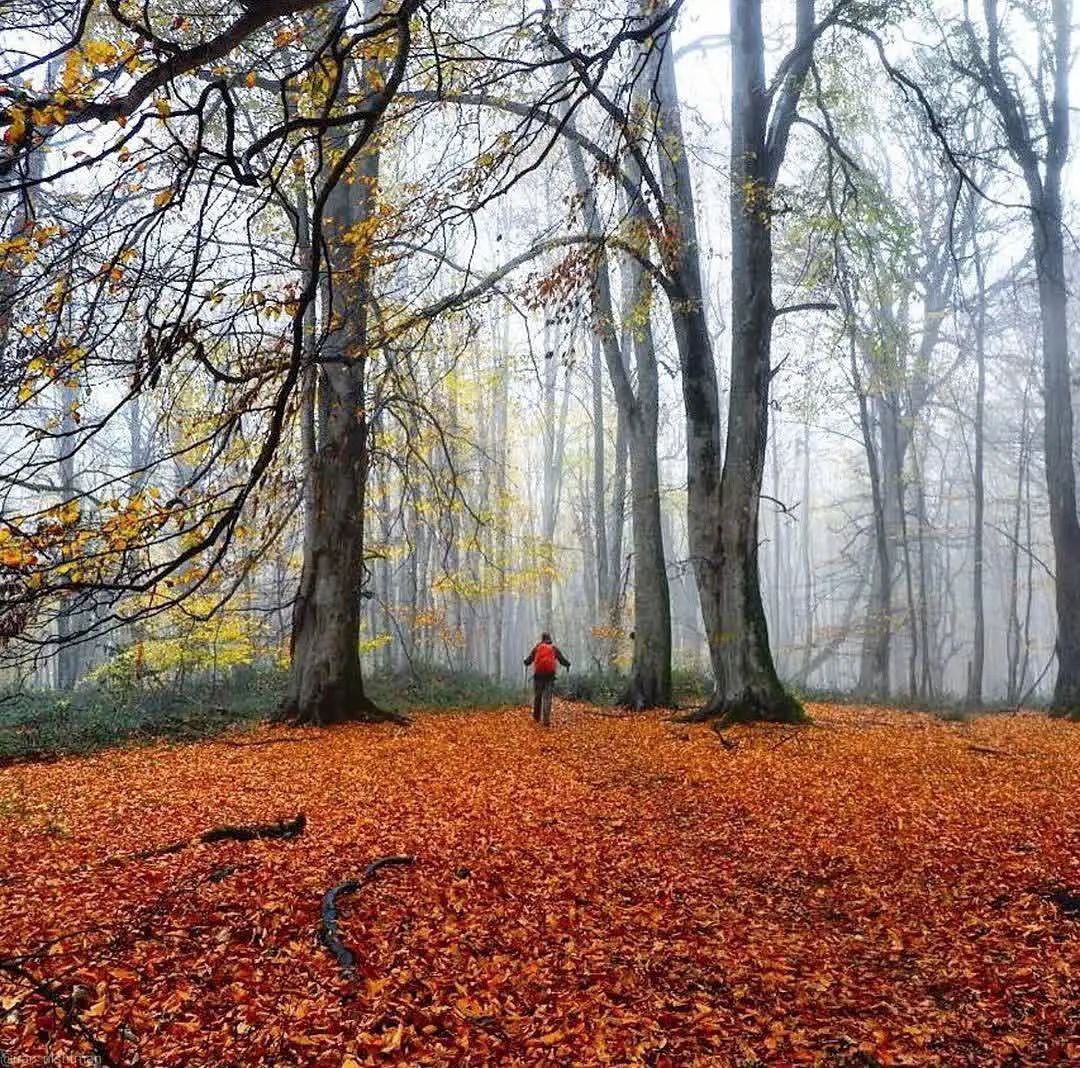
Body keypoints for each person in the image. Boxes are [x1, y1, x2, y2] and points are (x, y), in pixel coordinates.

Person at [523, 632, 570, 726]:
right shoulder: (553, 648)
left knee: (538, 697)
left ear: (542, 638)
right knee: (547, 698)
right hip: (550, 677)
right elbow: (561, 659)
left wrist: (526, 662)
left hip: (538, 677)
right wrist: (568, 664)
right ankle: (546, 720)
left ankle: (536, 718)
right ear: (549, 638)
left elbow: (529, 660)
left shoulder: (537, 648)